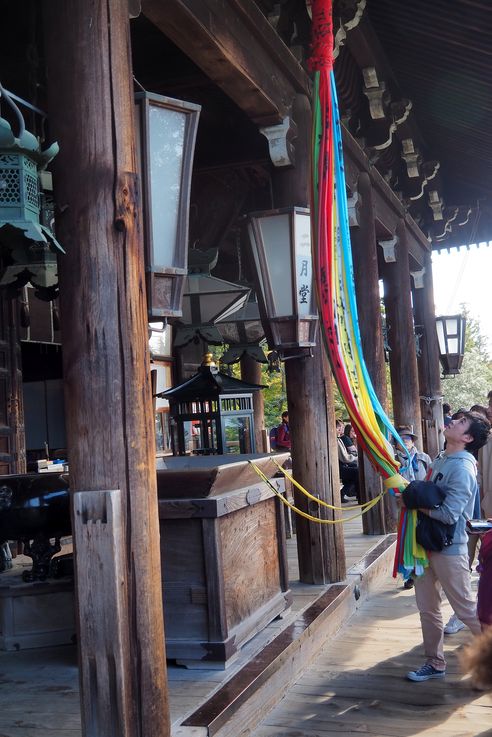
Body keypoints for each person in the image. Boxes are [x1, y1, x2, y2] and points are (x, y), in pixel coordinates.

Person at [405, 410, 490, 682]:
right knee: (427, 607)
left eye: (460, 422)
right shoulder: (442, 458)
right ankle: (435, 662)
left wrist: (414, 503)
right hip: (424, 545)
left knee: (466, 609)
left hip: (449, 549)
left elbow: (450, 515)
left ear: (466, 438)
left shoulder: (463, 468)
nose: (452, 421)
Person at [394, 425, 432, 590]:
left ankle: (425, 570)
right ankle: (410, 575)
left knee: (423, 536)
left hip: (423, 505)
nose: (405, 442)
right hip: (405, 506)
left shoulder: (423, 457)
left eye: (408, 439)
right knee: (407, 539)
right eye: (401, 439)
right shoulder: (393, 461)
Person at [336, 419, 359, 503]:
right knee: (357, 471)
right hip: (339, 467)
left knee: (355, 470)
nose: (340, 429)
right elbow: (346, 458)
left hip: (342, 465)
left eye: (341, 427)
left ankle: (346, 493)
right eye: (338, 427)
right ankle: (357, 495)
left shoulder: (339, 439)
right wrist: (355, 457)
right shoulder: (341, 439)